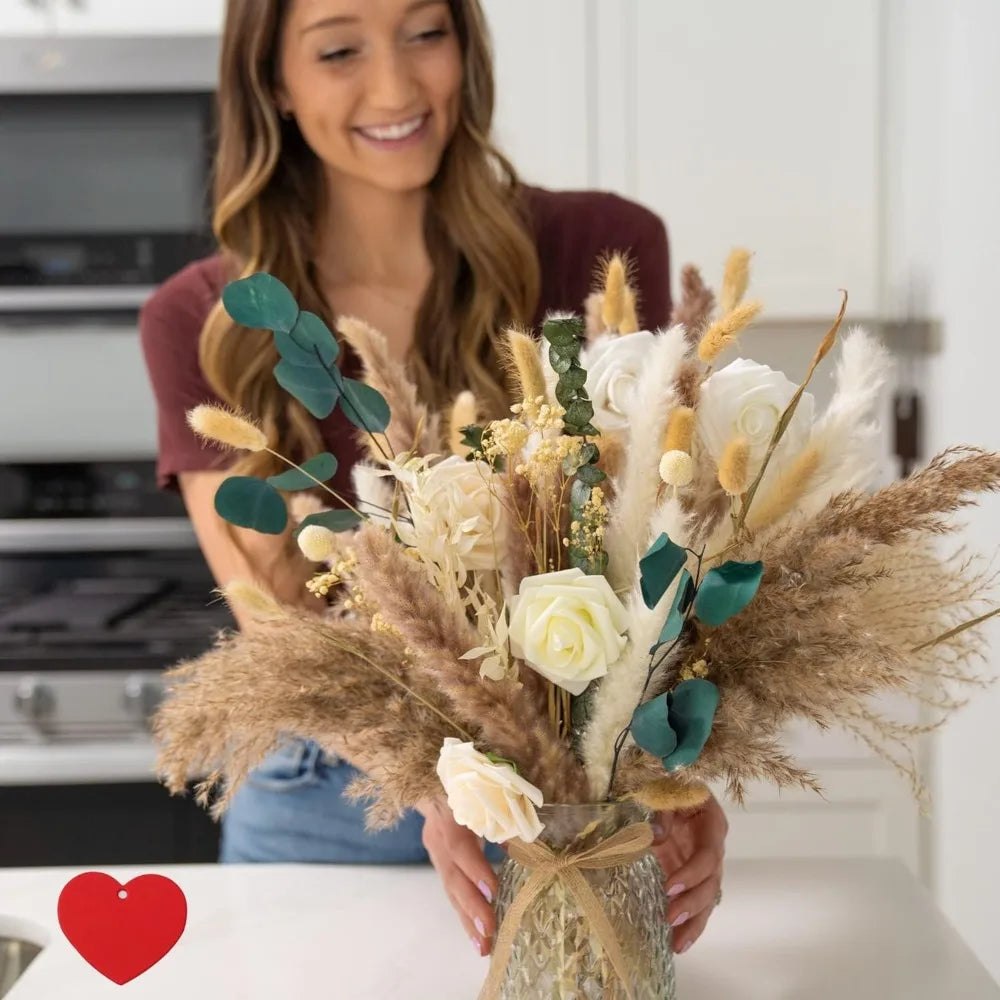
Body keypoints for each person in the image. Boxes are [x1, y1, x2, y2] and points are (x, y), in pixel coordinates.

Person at [140, 0, 727, 958]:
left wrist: (682, 770)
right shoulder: (202, 321)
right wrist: (433, 783)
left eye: (427, 32)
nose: (398, 86)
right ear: (274, 85)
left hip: (578, 793)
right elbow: (281, 619)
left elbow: (662, 551)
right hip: (331, 808)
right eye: (339, 50)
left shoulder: (602, 250)